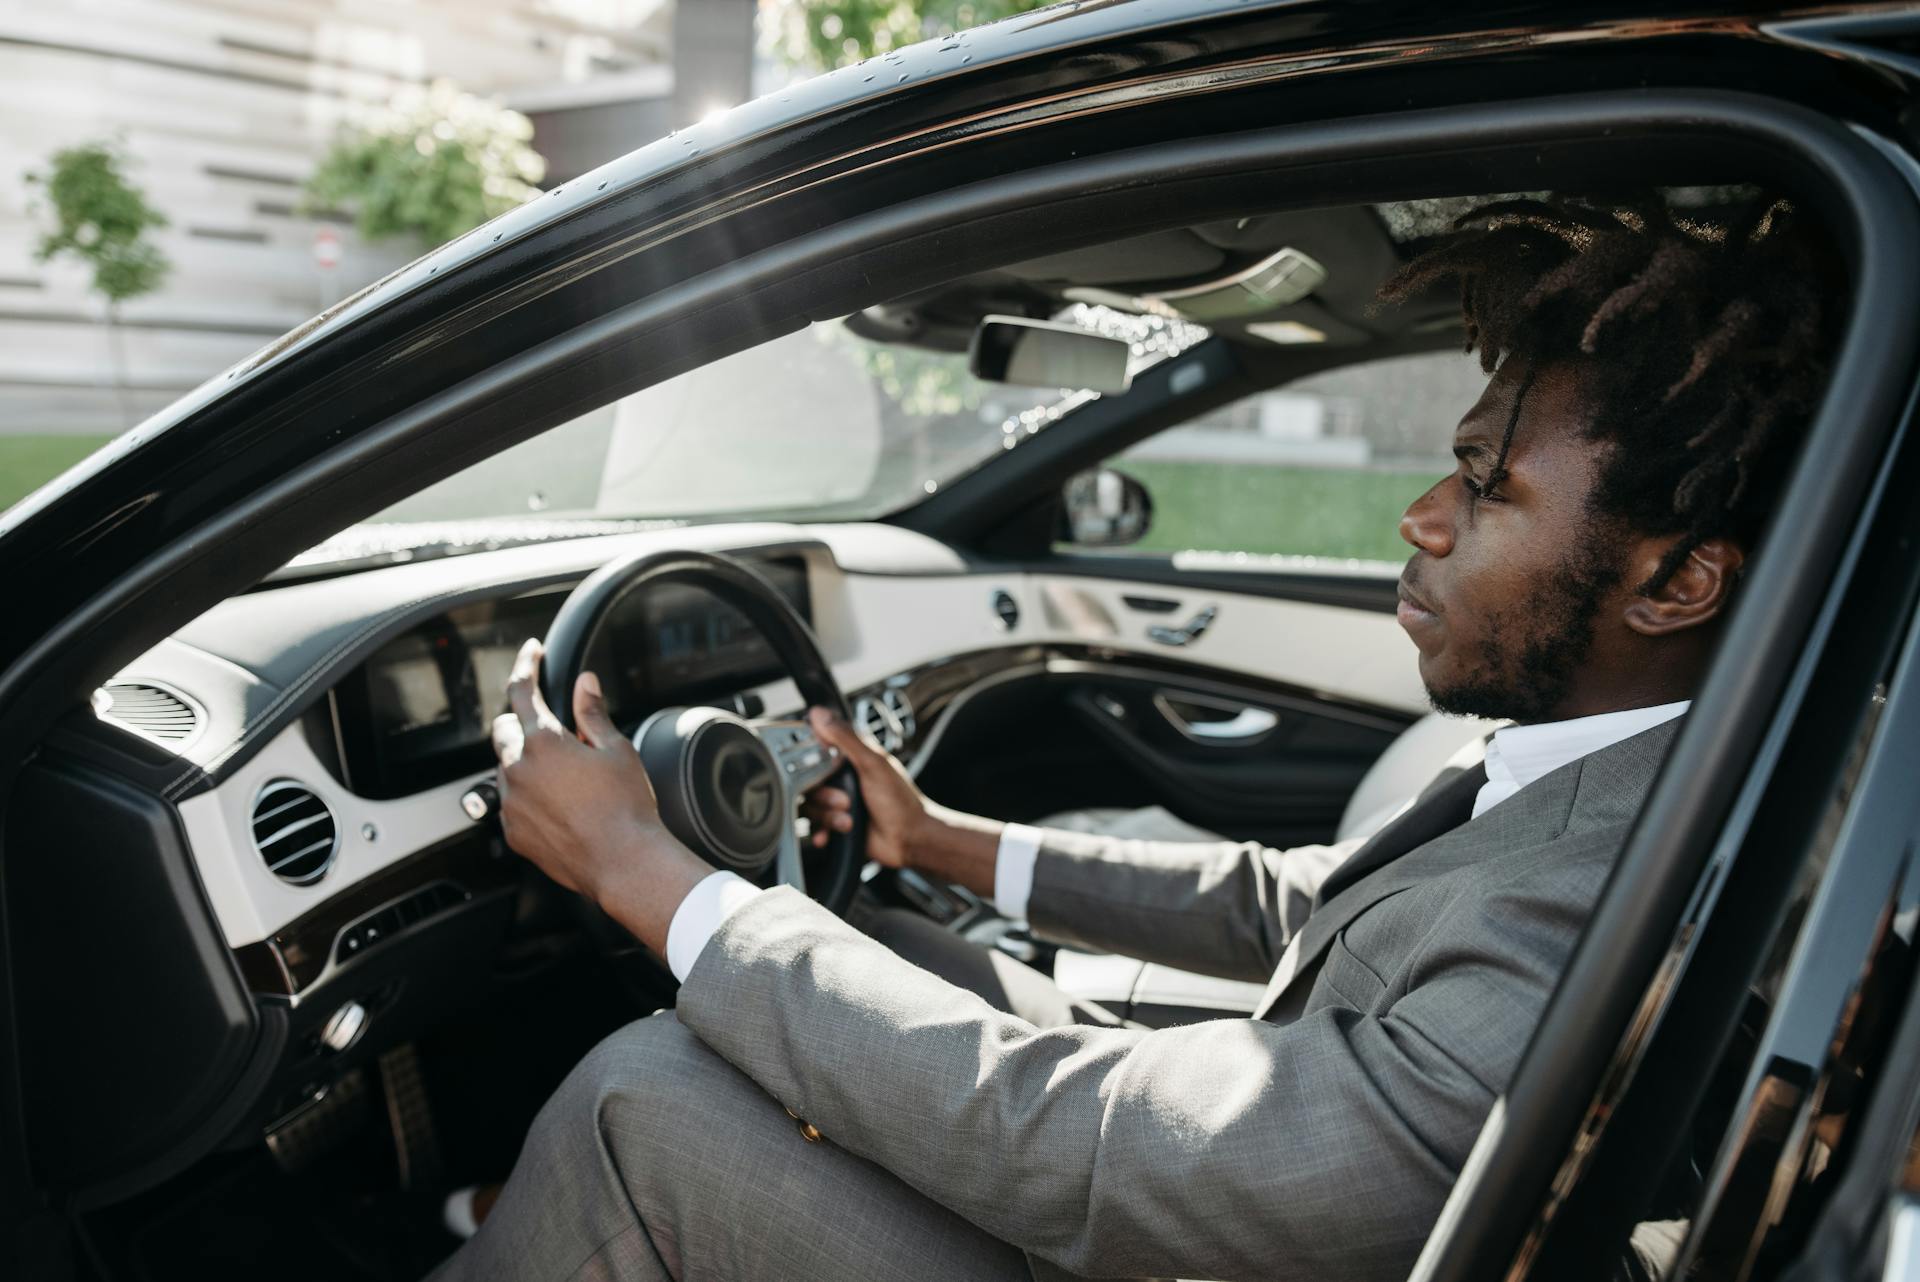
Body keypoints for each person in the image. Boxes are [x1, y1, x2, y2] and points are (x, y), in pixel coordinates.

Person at [431, 194, 1835, 1282]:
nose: (1421, 515)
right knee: (900, 942)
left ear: (1678, 580)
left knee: (640, 1097)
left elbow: (1108, 1146)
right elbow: (1299, 902)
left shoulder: (1588, 895)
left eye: (1485, 483)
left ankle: (539, 1214)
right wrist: (942, 842)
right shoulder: (1625, 759)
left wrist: (640, 867)